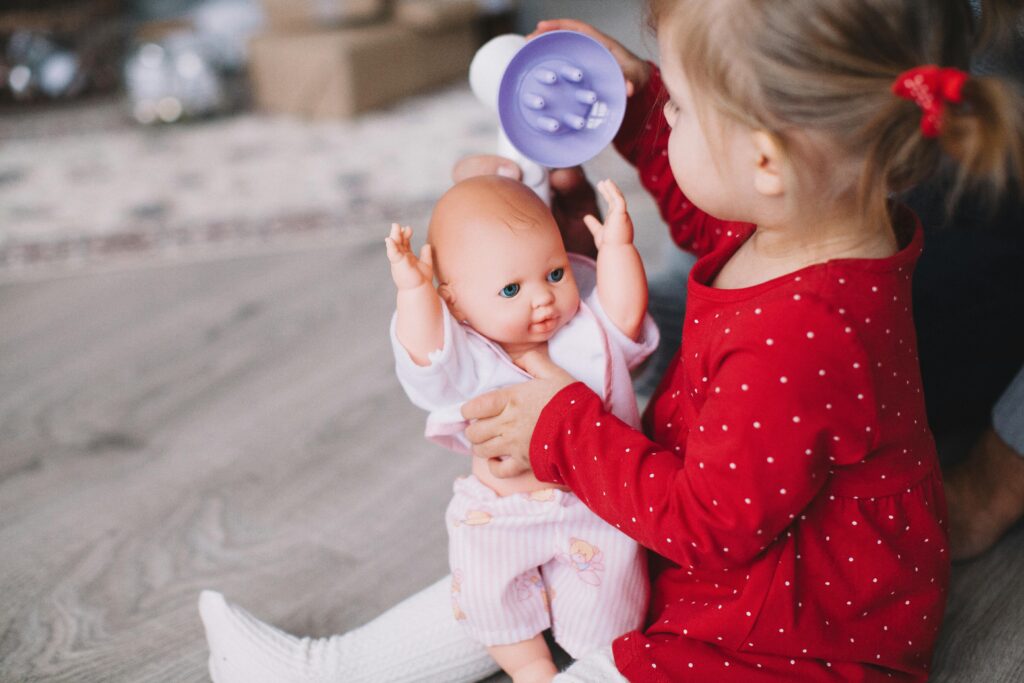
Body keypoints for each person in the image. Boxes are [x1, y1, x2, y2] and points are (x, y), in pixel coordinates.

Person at [199, 1, 1024, 680]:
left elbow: (707, 525)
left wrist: (558, 423)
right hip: (750, 560)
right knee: (511, 554)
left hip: (783, 638)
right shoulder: (817, 226)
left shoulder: (800, 338)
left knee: (575, 602)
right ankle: (328, 668)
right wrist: (630, 110)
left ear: (767, 159)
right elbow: (712, 220)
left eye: (679, 107)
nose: (663, 110)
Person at [383, 175, 656, 683]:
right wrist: (415, 292)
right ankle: (531, 668)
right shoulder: (466, 357)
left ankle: (594, 665)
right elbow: (425, 354)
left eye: (554, 273)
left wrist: (618, 249)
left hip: (595, 507)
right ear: (457, 305)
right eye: (511, 289)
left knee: (612, 608)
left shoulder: (584, 333)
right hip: (501, 514)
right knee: (489, 594)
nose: (543, 300)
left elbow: (624, 312)